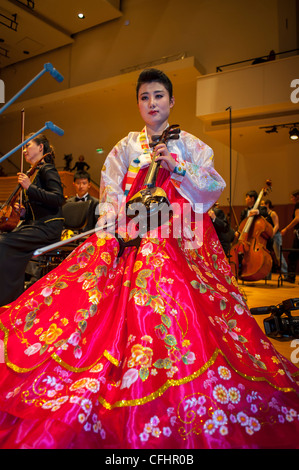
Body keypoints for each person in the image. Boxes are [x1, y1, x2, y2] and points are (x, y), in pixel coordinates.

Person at [0, 69, 298, 450]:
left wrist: (178, 166)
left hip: (177, 234)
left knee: (160, 263)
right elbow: (108, 189)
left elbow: (213, 189)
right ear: (139, 104)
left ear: (171, 102)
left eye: (158, 96)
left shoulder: (190, 144)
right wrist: (109, 216)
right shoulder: (125, 146)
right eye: (144, 97)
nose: (152, 103)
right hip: (131, 228)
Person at [0, 133, 64, 307]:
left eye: (27, 145)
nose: (24, 151)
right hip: (34, 226)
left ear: (40, 147)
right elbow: (37, 208)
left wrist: (29, 187)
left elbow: (58, 199)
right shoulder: (33, 173)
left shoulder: (47, 169)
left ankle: (8, 301)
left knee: (3, 243)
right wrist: (23, 213)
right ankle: (12, 295)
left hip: (48, 227)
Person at [260, 199, 288, 276]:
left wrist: (272, 233)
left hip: (276, 236)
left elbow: (276, 225)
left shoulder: (272, 213)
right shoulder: (263, 215)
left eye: (262, 204)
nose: (261, 206)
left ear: (267, 204)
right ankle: (267, 275)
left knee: (278, 255)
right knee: (268, 256)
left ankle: (285, 274)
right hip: (268, 237)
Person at [281, 190, 299, 283]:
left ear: (297, 197)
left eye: (292, 197)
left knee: (293, 255)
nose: (291, 199)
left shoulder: (298, 205)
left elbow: (297, 218)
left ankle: (291, 277)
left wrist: (286, 229)